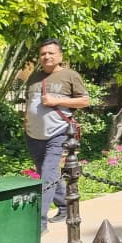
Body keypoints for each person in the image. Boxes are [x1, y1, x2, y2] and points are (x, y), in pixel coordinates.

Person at [24, 38, 90, 232]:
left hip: (58, 132)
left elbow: (84, 101)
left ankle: (40, 223)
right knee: (48, 174)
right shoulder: (34, 77)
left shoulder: (70, 75)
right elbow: (29, 102)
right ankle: (64, 207)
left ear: (60, 56)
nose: (46, 56)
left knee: (48, 173)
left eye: (51, 53)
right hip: (33, 134)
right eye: (43, 54)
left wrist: (56, 100)